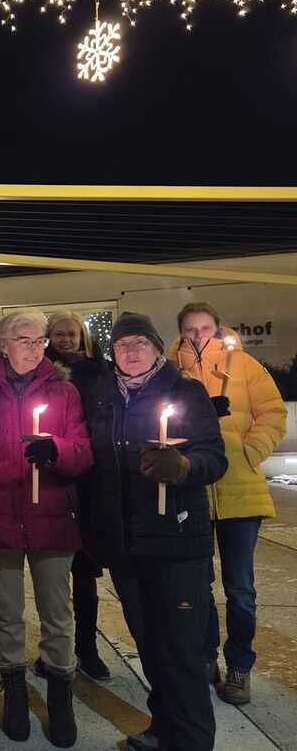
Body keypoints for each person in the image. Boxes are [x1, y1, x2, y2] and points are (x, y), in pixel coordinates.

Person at [84, 312, 228, 751]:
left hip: (176, 542)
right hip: (127, 544)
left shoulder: (185, 392)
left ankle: (192, 740)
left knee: (180, 650)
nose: (130, 352)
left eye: (139, 343)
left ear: (157, 349)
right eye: (122, 345)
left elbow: (214, 457)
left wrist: (183, 466)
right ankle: (165, 727)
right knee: (148, 644)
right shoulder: (104, 396)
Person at [0, 310, 92, 748]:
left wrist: (57, 451)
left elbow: (83, 452)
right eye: (24, 340)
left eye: (39, 340)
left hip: (51, 515)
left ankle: (60, 693)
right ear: (4, 346)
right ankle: (13, 688)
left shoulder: (64, 391)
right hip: (0, 514)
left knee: (57, 611)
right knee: (7, 610)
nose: (34, 348)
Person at [171, 302, 287, 705]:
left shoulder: (245, 366)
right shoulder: (173, 372)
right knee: (197, 583)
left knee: (240, 589)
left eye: (205, 328)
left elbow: (272, 414)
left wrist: (249, 452)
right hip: (195, 490)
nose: (198, 336)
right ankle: (205, 656)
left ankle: (240, 665)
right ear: (181, 332)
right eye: (191, 329)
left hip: (241, 489)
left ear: (217, 329)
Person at [42, 311, 112, 682]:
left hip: (90, 481)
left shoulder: (100, 371)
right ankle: (55, 649)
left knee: (84, 574)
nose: (66, 339)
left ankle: (86, 646)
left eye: (72, 333)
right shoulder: (42, 373)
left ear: (82, 336)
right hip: (53, 476)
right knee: (51, 577)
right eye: (59, 334)